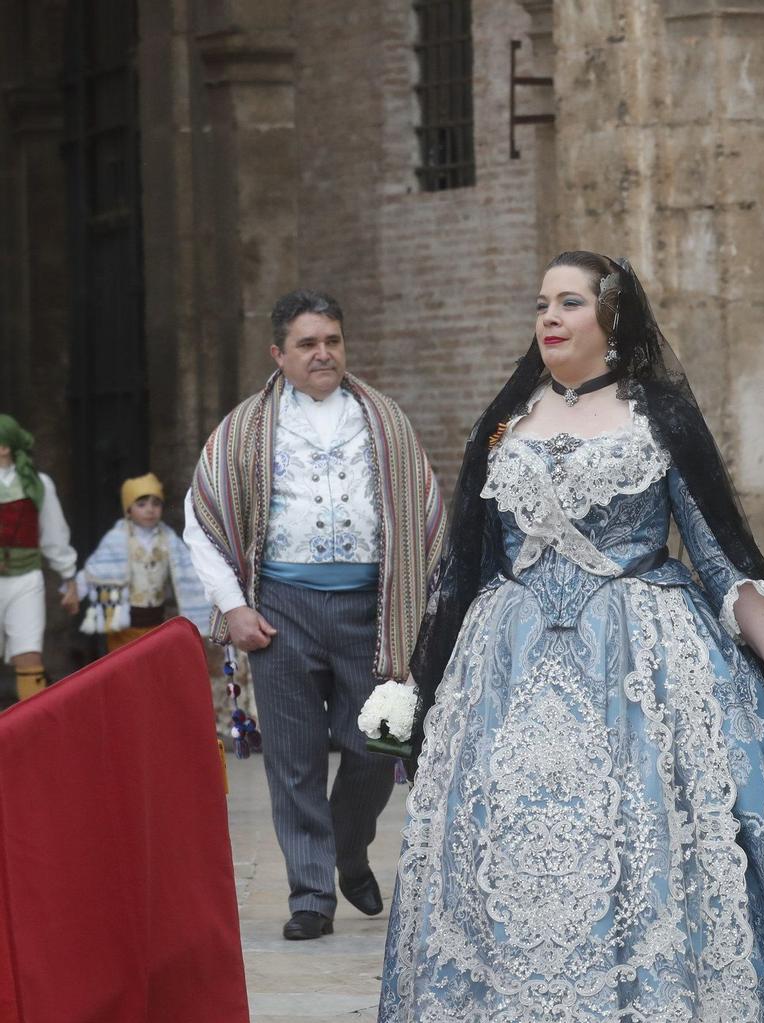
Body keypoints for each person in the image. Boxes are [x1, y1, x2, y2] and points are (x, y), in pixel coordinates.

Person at [372, 251, 764, 1023]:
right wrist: (422, 686)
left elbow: (719, 551)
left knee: (662, 839)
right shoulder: (508, 420)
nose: (550, 317)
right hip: (509, 662)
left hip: (643, 656)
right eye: (542, 301)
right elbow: (464, 564)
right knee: (527, 846)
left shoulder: (656, 416)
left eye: (570, 302)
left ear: (611, 320)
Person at [184, 291, 444, 941]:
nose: (323, 352)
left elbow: (425, 512)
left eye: (332, 339)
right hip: (281, 610)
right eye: (307, 343)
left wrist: (420, 609)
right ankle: (310, 893)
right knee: (293, 758)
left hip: (373, 608)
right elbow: (202, 522)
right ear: (279, 353)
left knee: (377, 744)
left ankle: (348, 849)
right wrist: (235, 606)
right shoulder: (244, 428)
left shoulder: (384, 419)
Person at [78, 473, 210, 651]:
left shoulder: (168, 538)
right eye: (141, 504)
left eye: (156, 504)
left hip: (156, 622)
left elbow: (188, 569)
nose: (150, 510)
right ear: (128, 509)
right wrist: (74, 590)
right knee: (125, 668)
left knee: (153, 666)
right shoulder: (117, 538)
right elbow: (97, 569)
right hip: (125, 626)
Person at [0, 414, 80, 702]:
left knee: (29, 655)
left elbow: (54, 535)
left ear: (5, 448)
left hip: (26, 580)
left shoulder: (37, 484)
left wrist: (68, 577)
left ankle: (33, 737)